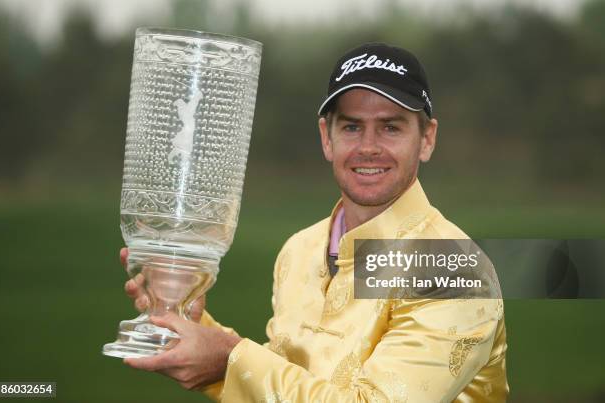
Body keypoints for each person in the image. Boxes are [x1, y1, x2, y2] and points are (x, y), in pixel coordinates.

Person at [121, 43, 509, 402]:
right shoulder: (300, 249)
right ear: (327, 137)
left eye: (391, 127)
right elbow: (284, 386)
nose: (369, 146)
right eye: (352, 126)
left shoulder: (455, 272)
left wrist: (227, 360)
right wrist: (194, 324)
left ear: (427, 139)